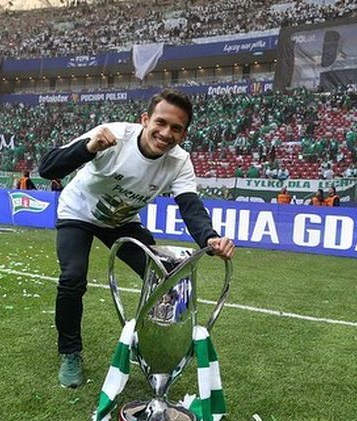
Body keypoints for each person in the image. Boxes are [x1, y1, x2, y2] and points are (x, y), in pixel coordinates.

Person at [38, 89, 235, 388]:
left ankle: (149, 344)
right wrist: (88, 148)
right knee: (73, 277)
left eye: (176, 128)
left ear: (184, 134)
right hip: (78, 213)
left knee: (168, 278)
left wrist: (209, 238)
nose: (166, 133)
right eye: (161, 122)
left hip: (121, 222)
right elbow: (48, 168)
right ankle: (70, 353)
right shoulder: (113, 136)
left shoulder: (180, 162)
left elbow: (190, 207)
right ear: (145, 120)